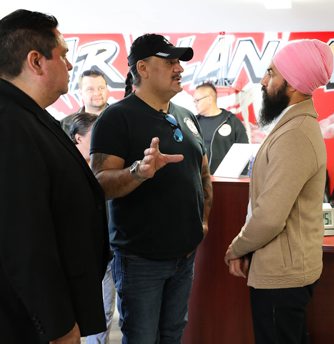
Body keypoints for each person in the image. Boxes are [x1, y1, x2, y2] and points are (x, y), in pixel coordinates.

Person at [90, 33, 213, 343]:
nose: (179, 69)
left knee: (172, 334)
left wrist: (203, 221)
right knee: (142, 337)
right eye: (169, 62)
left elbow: (202, 173)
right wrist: (138, 172)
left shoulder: (185, 116)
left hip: (184, 256)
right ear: (142, 68)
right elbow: (100, 183)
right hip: (141, 260)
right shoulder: (116, 119)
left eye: (179, 63)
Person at [0, 9, 109, 343]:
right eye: (62, 55)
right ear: (36, 61)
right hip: (28, 323)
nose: (70, 65)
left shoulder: (29, 116)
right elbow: (23, 239)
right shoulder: (10, 124)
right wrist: (58, 324)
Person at [224, 39, 333, 344]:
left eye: (271, 73)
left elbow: (271, 216)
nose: (263, 80)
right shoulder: (292, 126)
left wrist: (238, 247)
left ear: (293, 84)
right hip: (283, 269)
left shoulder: (295, 134)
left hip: (282, 276)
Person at [64, 112, 116, 344]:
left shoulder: (106, 169)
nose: (103, 141)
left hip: (107, 252)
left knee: (103, 315)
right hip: (75, 258)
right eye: (97, 135)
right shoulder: (65, 170)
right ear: (77, 138)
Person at [194, 81, 249, 174]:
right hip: (199, 183)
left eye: (197, 100)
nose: (195, 104)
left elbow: (243, 153)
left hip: (225, 182)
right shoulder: (192, 123)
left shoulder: (232, 121)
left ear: (209, 99)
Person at [61, 69, 110, 134]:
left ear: (107, 89)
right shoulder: (65, 125)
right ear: (81, 93)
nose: (97, 93)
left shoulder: (121, 118)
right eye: (90, 89)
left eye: (101, 88)